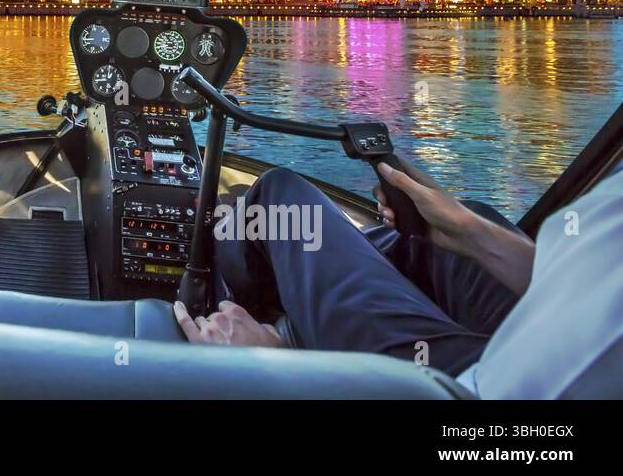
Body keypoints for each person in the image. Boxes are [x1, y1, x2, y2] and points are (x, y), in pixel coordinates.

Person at [172, 158, 623, 398]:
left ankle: (224, 258)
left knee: (284, 200)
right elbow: (594, 281)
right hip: (550, 331)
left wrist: (278, 373)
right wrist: (471, 234)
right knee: (451, 230)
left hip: (470, 389)